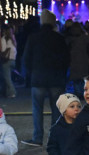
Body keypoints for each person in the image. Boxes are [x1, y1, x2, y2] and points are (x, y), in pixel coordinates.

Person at [21, 9, 70, 147]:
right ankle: (55, 138)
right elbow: (66, 59)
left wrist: (30, 74)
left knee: (37, 109)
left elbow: (26, 58)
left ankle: (38, 137)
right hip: (56, 78)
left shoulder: (33, 38)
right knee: (56, 109)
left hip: (38, 78)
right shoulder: (59, 39)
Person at [63, 20, 89, 94]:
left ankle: (76, 93)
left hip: (72, 62)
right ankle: (82, 94)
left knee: (75, 80)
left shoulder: (68, 39)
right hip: (83, 61)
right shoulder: (85, 38)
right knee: (82, 80)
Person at [0, 23, 18, 98]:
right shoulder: (13, 38)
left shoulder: (4, 39)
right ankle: (8, 93)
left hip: (7, 60)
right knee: (9, 76)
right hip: (13, 60)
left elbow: (3, 50)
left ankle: (12, 92)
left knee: (7, 78)